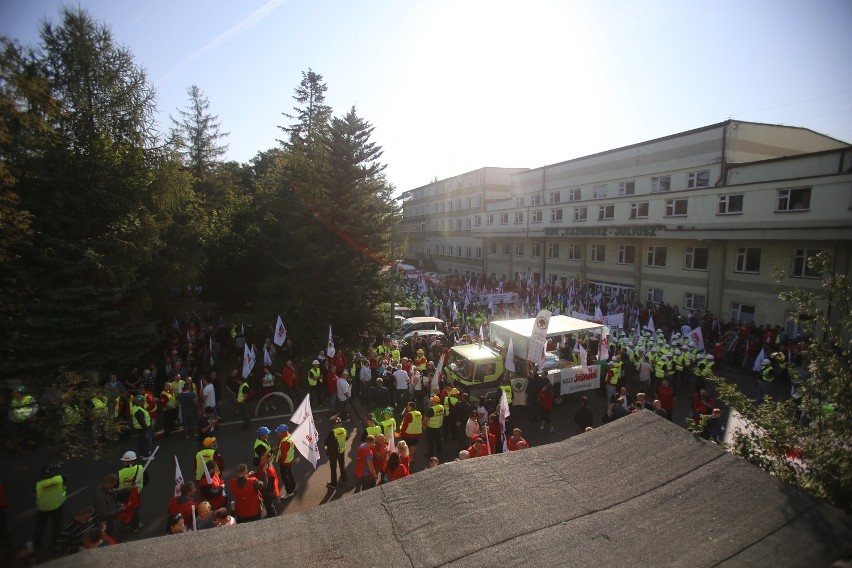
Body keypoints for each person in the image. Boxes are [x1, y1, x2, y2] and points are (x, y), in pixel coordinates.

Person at [34, 463, 66, 552]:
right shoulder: (61, 478)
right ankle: (55, 544)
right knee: (57, 525)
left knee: (40, 527)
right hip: (57, 506)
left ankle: (36, 545)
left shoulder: (38, 484)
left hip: (43, 509)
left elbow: (35, 492)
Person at [117, 451, 148, 533]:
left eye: (124, 460)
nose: (123, 462)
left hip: (123, 495)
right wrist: (139, 486)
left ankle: (125, 524)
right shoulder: (141, 469)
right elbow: (146, 480)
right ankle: (135, 527)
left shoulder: (120, 473)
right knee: (134, 510)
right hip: (136, 494)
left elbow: (116, 484)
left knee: (125, 509)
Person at [92, 474, 124, 540]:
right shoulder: (100, 497)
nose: (114, 485)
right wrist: (120, 510)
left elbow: (113, 493)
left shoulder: (106, 488)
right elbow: (103, 514)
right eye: (113, 484)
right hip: (107, 521)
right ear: (109, 483)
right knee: (109, 535)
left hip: (111, 517)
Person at [324, 417, 348, 489]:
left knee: (333, 467)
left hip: (333, 452)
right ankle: (344, 479)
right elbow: (346, 438)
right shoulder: (344, 430)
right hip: (341, 451)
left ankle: (333, 483)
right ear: (340, 424)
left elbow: (326, 442)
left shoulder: (332, 432)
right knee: (342, 465)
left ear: (334, 425)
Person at [254, 452, 280, 518]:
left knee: (270, 506)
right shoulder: (263, 465)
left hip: (267, 493)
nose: (261, 461)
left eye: (263, 459)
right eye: (261, 459)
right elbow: (259, 473)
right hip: (265, 491)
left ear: (267, 460)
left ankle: (273, 517)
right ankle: (270, 515)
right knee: (268, 506)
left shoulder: (269, 470)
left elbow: (269, 485)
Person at [275, 424, 296, 498]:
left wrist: (280, 460)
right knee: (289, 474)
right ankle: (293, 487)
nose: (277, 433)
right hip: (290, 459)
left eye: (278, 432)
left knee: (285, 477)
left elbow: (283, 455)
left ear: (283, 432)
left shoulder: (284, 441)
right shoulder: (289, 435)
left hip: (285, 462)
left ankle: (289, 492)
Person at [424, 395, 445, 459]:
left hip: (431, 428)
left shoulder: (431, 410)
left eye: (432, 401)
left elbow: (426, 419)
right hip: (439, 426)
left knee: (431, 441)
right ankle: (439, 451)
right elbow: (443, 415)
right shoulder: (442, 407)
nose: (431, 402)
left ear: (434, 402)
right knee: (439, 440)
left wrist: (423, 426)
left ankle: (431, 454)